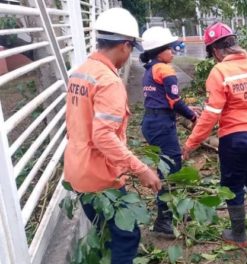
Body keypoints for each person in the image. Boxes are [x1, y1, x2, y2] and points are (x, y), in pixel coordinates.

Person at [64, 8, 161, 264]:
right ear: (125, 46)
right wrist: (141, 169)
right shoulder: (108, 81)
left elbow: (75, 124)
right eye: (131, 48)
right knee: (127, 236)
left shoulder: (81, 72)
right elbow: (104, 136)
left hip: (78, 172)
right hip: (100, 179)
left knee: (108, 233)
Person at [182, 22, 247, 248]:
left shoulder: (219, 71)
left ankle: (238, 235)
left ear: (215, 50)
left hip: (236, 139)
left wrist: (191, 143)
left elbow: (211, 115)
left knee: (232, 185)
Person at [139, 26, 200, 238]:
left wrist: (189, 109)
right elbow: (174, 101)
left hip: (151, 121)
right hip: (161, 124)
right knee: (171, 167)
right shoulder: (165, 70)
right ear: (158, 50)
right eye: (170, 48)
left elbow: (163, 99)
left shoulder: (150, 68)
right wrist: (193, 116)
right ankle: (164, 220)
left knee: (168, 165)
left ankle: (176, 209)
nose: (173, 52)